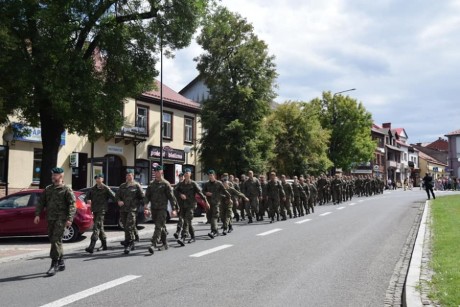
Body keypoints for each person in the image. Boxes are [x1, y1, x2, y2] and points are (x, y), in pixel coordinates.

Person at [34, 167, 76, 276]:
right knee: (54, 240)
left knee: (55, 240)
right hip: (50, 218)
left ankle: (54, 264)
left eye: (55, 175)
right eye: (52, 175)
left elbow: (72, 205)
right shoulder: (48, 189)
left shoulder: (67, 189)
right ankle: (61, 261)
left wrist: (70, 219)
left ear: (61, 176)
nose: (53, 177)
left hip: (61, 219)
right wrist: (37, 214)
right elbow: (41, 202)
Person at [144, 165, 178, 254]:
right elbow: (147, 196)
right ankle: (165, 244)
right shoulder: (151, 184)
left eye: (158, 171)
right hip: (154, 209)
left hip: (162, 209)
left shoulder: (166, 184)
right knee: (161, 226)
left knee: (158, 226)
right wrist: (146, 207)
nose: (156, 173)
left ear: (161, 172)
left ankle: (153, 244)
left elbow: (171, 197)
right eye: (155, 171)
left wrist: (174, 209)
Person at [174, 168, 208, 244]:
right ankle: (193, 237)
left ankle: (183, 237)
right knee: (188, 222)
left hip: (191, 205)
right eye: (185, 173)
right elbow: (174, 191)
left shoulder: (193, 184)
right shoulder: (181, 184)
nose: (186, 174)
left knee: (186, 220)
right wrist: (180, 194)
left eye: (187, 173)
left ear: (190, 174)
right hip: (183, 205)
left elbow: (200, 193)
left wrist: (206, 202)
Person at [115, 169, 144, 254]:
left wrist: (145, 207)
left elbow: (142, 197)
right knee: (125, 227)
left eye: (130, 175)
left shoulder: (136, 185)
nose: (128, 177)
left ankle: (129, 243)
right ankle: (130, 242)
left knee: (129, 226)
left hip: (132, 209)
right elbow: (117, 196)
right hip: (123, 209)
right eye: (127, 175)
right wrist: (119, 201)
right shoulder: (122, 186)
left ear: (133, 176)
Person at [85, 174, 115, 253]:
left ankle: (92, 246)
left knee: (96, 227)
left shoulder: (106, 188)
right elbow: (86, 197)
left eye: (99, 178)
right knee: (100, 227)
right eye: (96, 178)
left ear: (102, 179)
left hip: (102, 210)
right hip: (94, 210)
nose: (98, 180)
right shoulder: (92, 189)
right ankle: (104, 245)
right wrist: (88, 200)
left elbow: (114, 197)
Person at [202, 170, 231, 238]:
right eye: (209, 176)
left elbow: (225, 191)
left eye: (211, 175)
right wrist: (206, 193)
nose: (210, 177)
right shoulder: (207, 184)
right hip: (209, 203)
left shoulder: (219, 183)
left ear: (214, 176)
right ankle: (216, 230)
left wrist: (229, 198)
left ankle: (214, 231)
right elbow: (202, 191)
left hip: (216, 203)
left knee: (214, 217)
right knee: (209, 217)